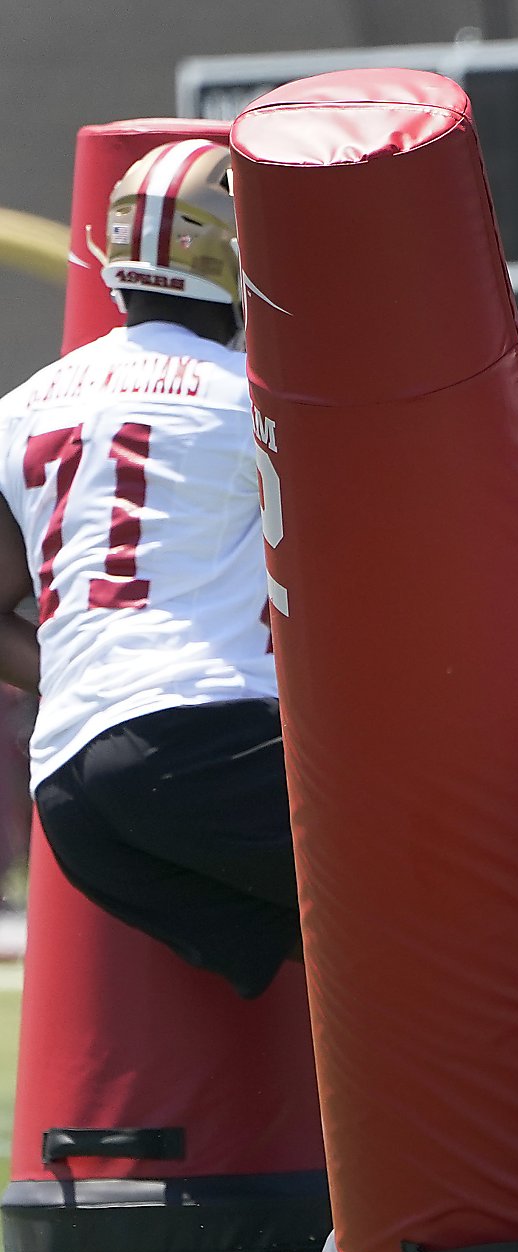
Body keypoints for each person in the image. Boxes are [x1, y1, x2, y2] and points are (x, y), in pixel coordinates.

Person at [0, 140, 297, 999]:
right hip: (207, 743)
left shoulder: (24, 406)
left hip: (71, 797)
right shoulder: (258, 397)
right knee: (447, 904)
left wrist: (90, 681)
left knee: (361, 970)